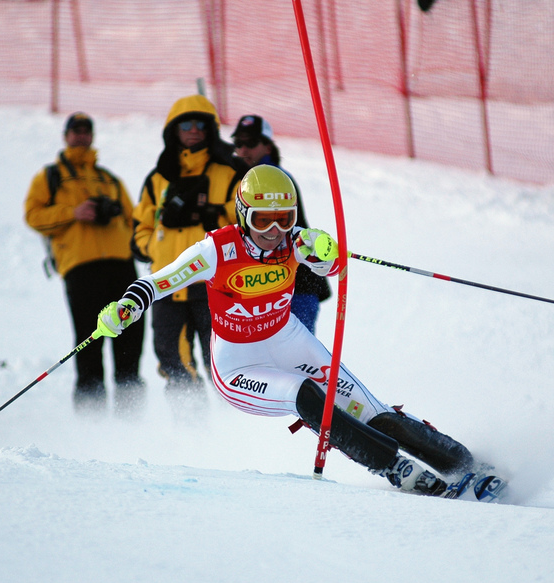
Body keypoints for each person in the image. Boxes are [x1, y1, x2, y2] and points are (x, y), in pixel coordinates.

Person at [96, 165, 506, 501]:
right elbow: (159, 281)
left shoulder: (295, 242)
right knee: (307, 397)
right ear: (243, 215)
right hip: (239, 364)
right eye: (263, 220)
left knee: (372, 411)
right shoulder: (215, 250)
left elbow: (332, 265)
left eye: (285, 219)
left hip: (288, 340)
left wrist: (326, 253)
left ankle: (463, 463)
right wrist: (127, 307)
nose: (274, 231)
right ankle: (393, 467)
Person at [24, 112, 144, 413]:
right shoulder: (50, 177)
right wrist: (73, 213)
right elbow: (33, 216)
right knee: (89, 342)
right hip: (81, 268)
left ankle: (133, 419)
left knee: (130, 342)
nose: (81, 136)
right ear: (66, 136)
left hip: (121, 265)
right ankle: (92, 421)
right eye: (75, 131)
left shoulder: (109, 179)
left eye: (86, 131)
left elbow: (135, 219)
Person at [131, 94, 245, 405]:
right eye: (185, 125)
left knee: (222, 363)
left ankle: (236, 425)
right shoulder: (158, 178)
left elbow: (247, 224)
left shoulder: (229, 173)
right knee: (173, 363)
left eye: (200, 124)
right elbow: (139, 227)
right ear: (174, 130)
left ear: (210, 129)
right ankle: (190, 429)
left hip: (215, 284)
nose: (193, 130)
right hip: (167, 285)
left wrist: (211, 215)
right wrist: (154, 248)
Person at [231, 114, 331, 333]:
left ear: (267, 146)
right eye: (238, 143)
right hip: (270, 285)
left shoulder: (273, 181)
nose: (243, 150)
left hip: (296, 285)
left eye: (251, 143)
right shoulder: (244, 181)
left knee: (295, 350)